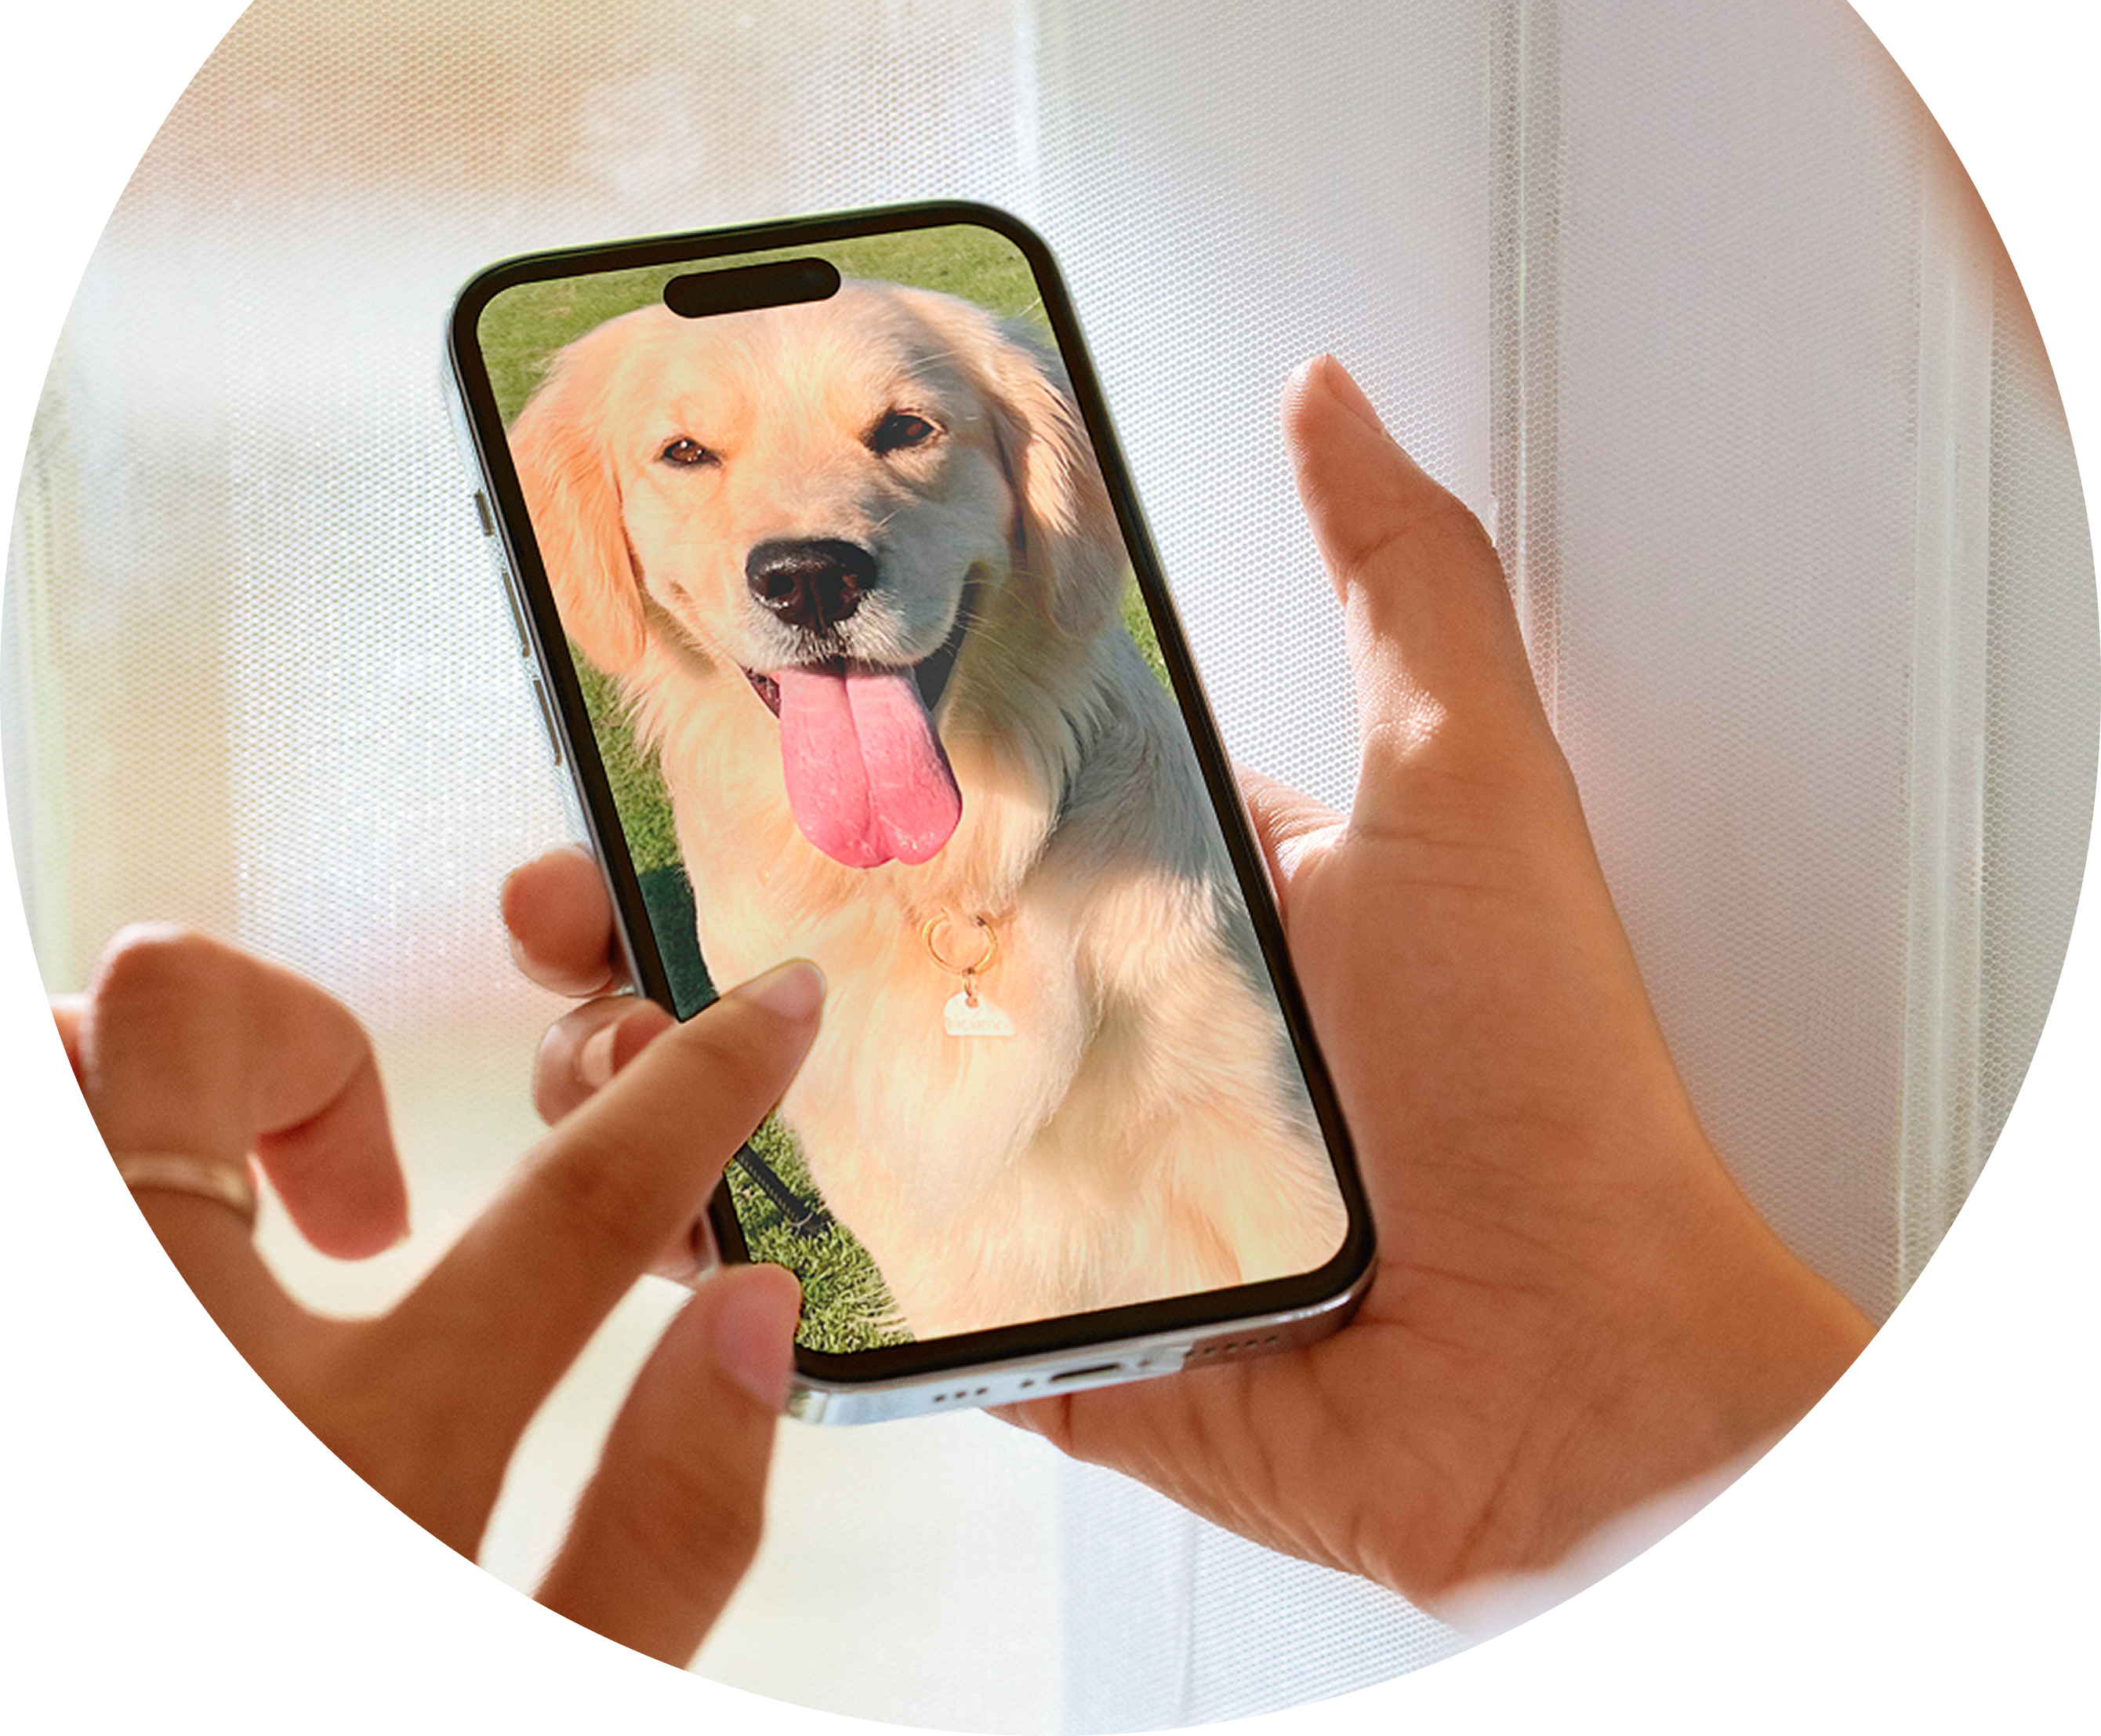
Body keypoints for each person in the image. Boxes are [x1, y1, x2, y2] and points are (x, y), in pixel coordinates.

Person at [55, 355, 1873, 1670]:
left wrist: (1573, 1408)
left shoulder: (1210, 903)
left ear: (1033, 499)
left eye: (901, 431)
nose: (804, 536)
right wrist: (1575, 1433)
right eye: (689, 454)